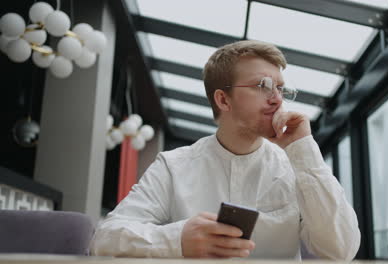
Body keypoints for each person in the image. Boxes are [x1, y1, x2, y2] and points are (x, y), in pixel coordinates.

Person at [91, 40, 360, 260]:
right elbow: (104, 238)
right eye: (262, 86)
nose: (277, 99)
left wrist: (304, 151)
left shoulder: (297, 165)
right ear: (223, 100)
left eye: (280, 88)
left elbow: (341, 250)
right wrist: (177, 240)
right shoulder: (173, 166)